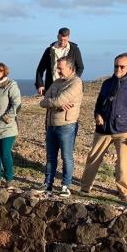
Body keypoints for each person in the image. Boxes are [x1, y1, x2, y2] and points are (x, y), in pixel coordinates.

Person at [79, 53, 127, 202]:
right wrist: (97, 114)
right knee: (93, 159)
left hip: (124, 130)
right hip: (103, 129)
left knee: (124, 164)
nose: (118, 69)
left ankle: (125, 193)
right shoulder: (107, 83)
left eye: (122, 66)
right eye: (116, 66)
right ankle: (84, 188)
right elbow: (99, 103)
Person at [38, 56, 83, 196]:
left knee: (66, 157)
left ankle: (65, 186)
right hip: (51, 125)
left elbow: (58, 100)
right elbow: (43, 102)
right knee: (50, 157)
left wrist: (54, 103)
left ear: (70, 68)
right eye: (57, 68)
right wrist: (57, 105)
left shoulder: (76, 82)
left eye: (60, 68)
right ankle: (48, 184)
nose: (58, 71)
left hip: (66, 125)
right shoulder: (57, 82)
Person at [35, 27, 84, 96]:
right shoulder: (49, 50)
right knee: (51, 105)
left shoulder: (75, 50)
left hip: (68, 86)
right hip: (51, 86)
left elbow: (80, 67)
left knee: (67, 106)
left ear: (68, 38)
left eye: (65, 40)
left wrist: (73, 80)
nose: (62, 42)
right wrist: (40, 85)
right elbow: (40, 69)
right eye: (61, 40)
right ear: (57, 37)